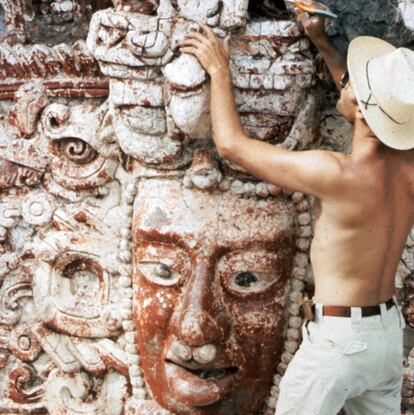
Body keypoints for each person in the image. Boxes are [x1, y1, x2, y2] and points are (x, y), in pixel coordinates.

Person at [180, 5, 414, 415]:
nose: (344, 81)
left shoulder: (334, 173)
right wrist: (322, 40)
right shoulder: (409, 168)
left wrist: (219, 71)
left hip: (340, 343)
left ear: (361, 109)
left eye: (353, 85)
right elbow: (360, 96)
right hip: (385, 338)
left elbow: (232, 145)